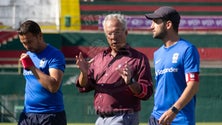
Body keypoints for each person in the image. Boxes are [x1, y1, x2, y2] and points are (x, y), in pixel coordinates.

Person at [75, 14, 153, 125]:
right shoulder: (98, 58)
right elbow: (83, 86)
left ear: (126, 32)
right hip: (101, 119)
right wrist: (83, 72)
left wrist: (131, 82)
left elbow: (147, 92)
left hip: (124, 117)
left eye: (116, 32)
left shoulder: (138, 59)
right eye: (109, 33)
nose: (113, 37)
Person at [145, 6, 200, 125]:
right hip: (156, 118)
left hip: (179, 119)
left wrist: (173, 111)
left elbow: (193, 85)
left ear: (168, 25)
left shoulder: (187, 49)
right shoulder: (157, 54)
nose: (151, 27)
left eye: (156, 22)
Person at [17, 20, 67, 125]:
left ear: (40, 36)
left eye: (29, 42)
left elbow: (53, 86)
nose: (26, 46)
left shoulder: (55, 55)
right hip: (28, 114)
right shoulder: (28, 55)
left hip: (51, 115)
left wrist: (32, 67)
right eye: (23, 43)